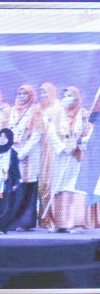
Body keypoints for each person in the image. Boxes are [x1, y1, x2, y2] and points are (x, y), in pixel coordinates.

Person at [46, 87, 91, 231]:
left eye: (70, 96)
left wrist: (79, 143)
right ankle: (59, 223)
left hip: (76, 157)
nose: (66, 99)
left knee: (74, 187)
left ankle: (73, 223)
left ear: (77, 98)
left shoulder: (84, 115)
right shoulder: (57, 114)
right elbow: (51, 132)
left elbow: (89, 133)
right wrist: (62, 147)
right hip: (61, 155)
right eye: (65, 96)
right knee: (59, 186)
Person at [4, 85, 43, 231]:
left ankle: (25, 222)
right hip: (11, 152)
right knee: (11, 187)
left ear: (31, 96)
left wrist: (23, 153)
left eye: (24, 94)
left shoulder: (35, 112)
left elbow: (37, 135)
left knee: (26, 187)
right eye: (19, 93)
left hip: (29, 155)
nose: (21, 96)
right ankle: (10, 220)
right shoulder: (11, 111)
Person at [36, 82, 63, 231]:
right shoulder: (38, 108)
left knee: (52, 183)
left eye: (45, 92)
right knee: (42, 185)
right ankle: (44, 217)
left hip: (54, 150)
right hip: (40, 149)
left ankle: (56, 218)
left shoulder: (59, 107)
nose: (43, 95)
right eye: (41, 93)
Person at [0, 128, 21, 233]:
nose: (2, 139)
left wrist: (15, 182)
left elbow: (15, 169)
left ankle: (2, 227)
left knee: (5, 206)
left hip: (6, 182)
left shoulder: (12, 153)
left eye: (5, 137)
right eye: (1, 136)